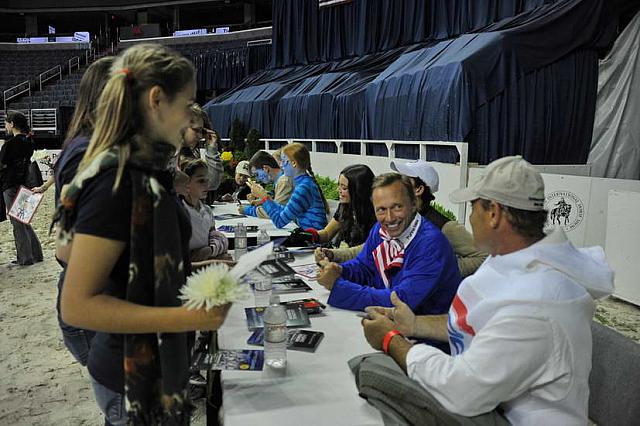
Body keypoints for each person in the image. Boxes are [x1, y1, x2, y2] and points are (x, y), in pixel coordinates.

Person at [360, 156, 614, 424]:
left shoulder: (536, 304)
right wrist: (413, 325)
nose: (470, 218)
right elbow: (478, 323)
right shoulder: (509, 257)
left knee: (374, 376)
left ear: (493, 213)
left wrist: (390, 340)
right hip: (490, 402)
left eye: (472, 208)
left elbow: (460, 390)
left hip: (503, 415)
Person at [54, 44, 230, 424]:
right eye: (186, 103)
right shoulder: (117, 179)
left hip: (153, 362)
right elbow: (78, 304)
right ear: (156, 100)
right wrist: (184, 317)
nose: (190, 117)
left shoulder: (143, 169)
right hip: (130, 369)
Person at [317, 173, 461, 352]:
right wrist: (338, 270)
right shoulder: (381, 229)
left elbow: (399, 301)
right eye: (381, 210)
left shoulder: (430, 244)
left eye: (397, 207)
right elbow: (364, 267)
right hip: (392, 328)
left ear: (414, 204)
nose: (389, 218)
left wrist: (338, 286)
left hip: (428, 346)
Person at [391, 160, 487, 277]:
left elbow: (482, 256)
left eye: (404, 181)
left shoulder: (445, 227)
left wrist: (441, 272)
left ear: (419, 190)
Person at [247, 142, 329, 230]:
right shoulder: (304, 183)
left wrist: (264, 198)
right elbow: (285, 210)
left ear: (294, 163)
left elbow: (279, 221)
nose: (281, 165)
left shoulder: (303, 188)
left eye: (283, 161)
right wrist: (266, 198)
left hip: (313, 241)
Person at [0, 111, 43, 266]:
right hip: (26, 183)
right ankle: (36, 253)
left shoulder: (9, 144)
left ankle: (25, 257)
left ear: (12, 124)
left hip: (11, 184)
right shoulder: (28, 141)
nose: (5, 125)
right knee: (23, 219)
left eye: (6, 122)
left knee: (17, 222)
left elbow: (2, 165)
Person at [310, 164, 375, 248]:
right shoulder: (344, 207)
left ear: (359, 191)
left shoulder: (374, 217)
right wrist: (311, 235)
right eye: (339, 185)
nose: (338, 190)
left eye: (344, 188)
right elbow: (327, 233)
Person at [180, 158, 228, 262]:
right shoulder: (181, 211)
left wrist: (209, 250)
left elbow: (218, 237)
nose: (207, 185)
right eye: (201, 180)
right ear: (186, 182)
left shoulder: (206, 210)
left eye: (207, 180)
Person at [178, 103, 224, 198]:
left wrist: (211, 149)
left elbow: (210, 183)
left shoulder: (188, 154)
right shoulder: (166, 155)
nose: (200, 136)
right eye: (196, 130)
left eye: (202, 131)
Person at [238, 150, 293, 218]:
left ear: (266, 168)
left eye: (257, 174)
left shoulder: (284, 180)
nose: (257, 179)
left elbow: (276, 212)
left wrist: (249, 210)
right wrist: (260, 201)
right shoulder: (278, 180)